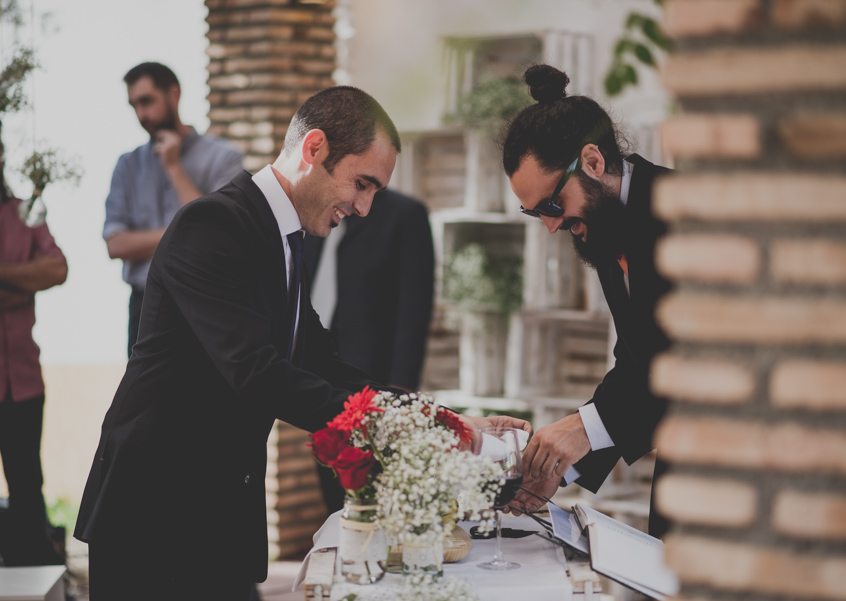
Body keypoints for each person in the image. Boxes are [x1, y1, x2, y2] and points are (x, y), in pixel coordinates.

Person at [75, 85, 525, 601]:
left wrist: (442, 420)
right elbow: (257, 373)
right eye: (362, 184)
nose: (364, 208)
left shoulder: (283, 239)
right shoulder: (213, 224)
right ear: (314, 149)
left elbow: (324, 365)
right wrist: (410, 432)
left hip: (218, 515)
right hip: (155, 516)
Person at [504, 65, 670, 537]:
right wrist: (563, 463)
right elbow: (638, 358)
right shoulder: (608, 224)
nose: (551, 226)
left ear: (593, 162)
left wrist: (583, 427)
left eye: (553, 206)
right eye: (534, 213)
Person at [304, 188, 435, 513]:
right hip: (316, 371)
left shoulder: (405, 214)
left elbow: (414, 307)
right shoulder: (316, 212)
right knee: (332, 481)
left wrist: (401, 389)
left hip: (373, 375)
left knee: (374, 487)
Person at [103, 62, 243, 355]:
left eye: (147, 101)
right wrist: (183, 235)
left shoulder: (224, 158)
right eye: (134, 106)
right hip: (145, 307)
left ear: (174, 94)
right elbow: (115, 244)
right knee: (146, 400)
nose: (141, 115)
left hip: (207, 303)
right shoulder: (127, 165)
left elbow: (215, 236)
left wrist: (173, 166)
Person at [0, 188, 68, 566]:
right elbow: (39, 274)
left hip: (24, 377)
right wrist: (22, 286)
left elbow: (56, 268)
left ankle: (31, 578)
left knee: (27, 484)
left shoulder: (25, 212)